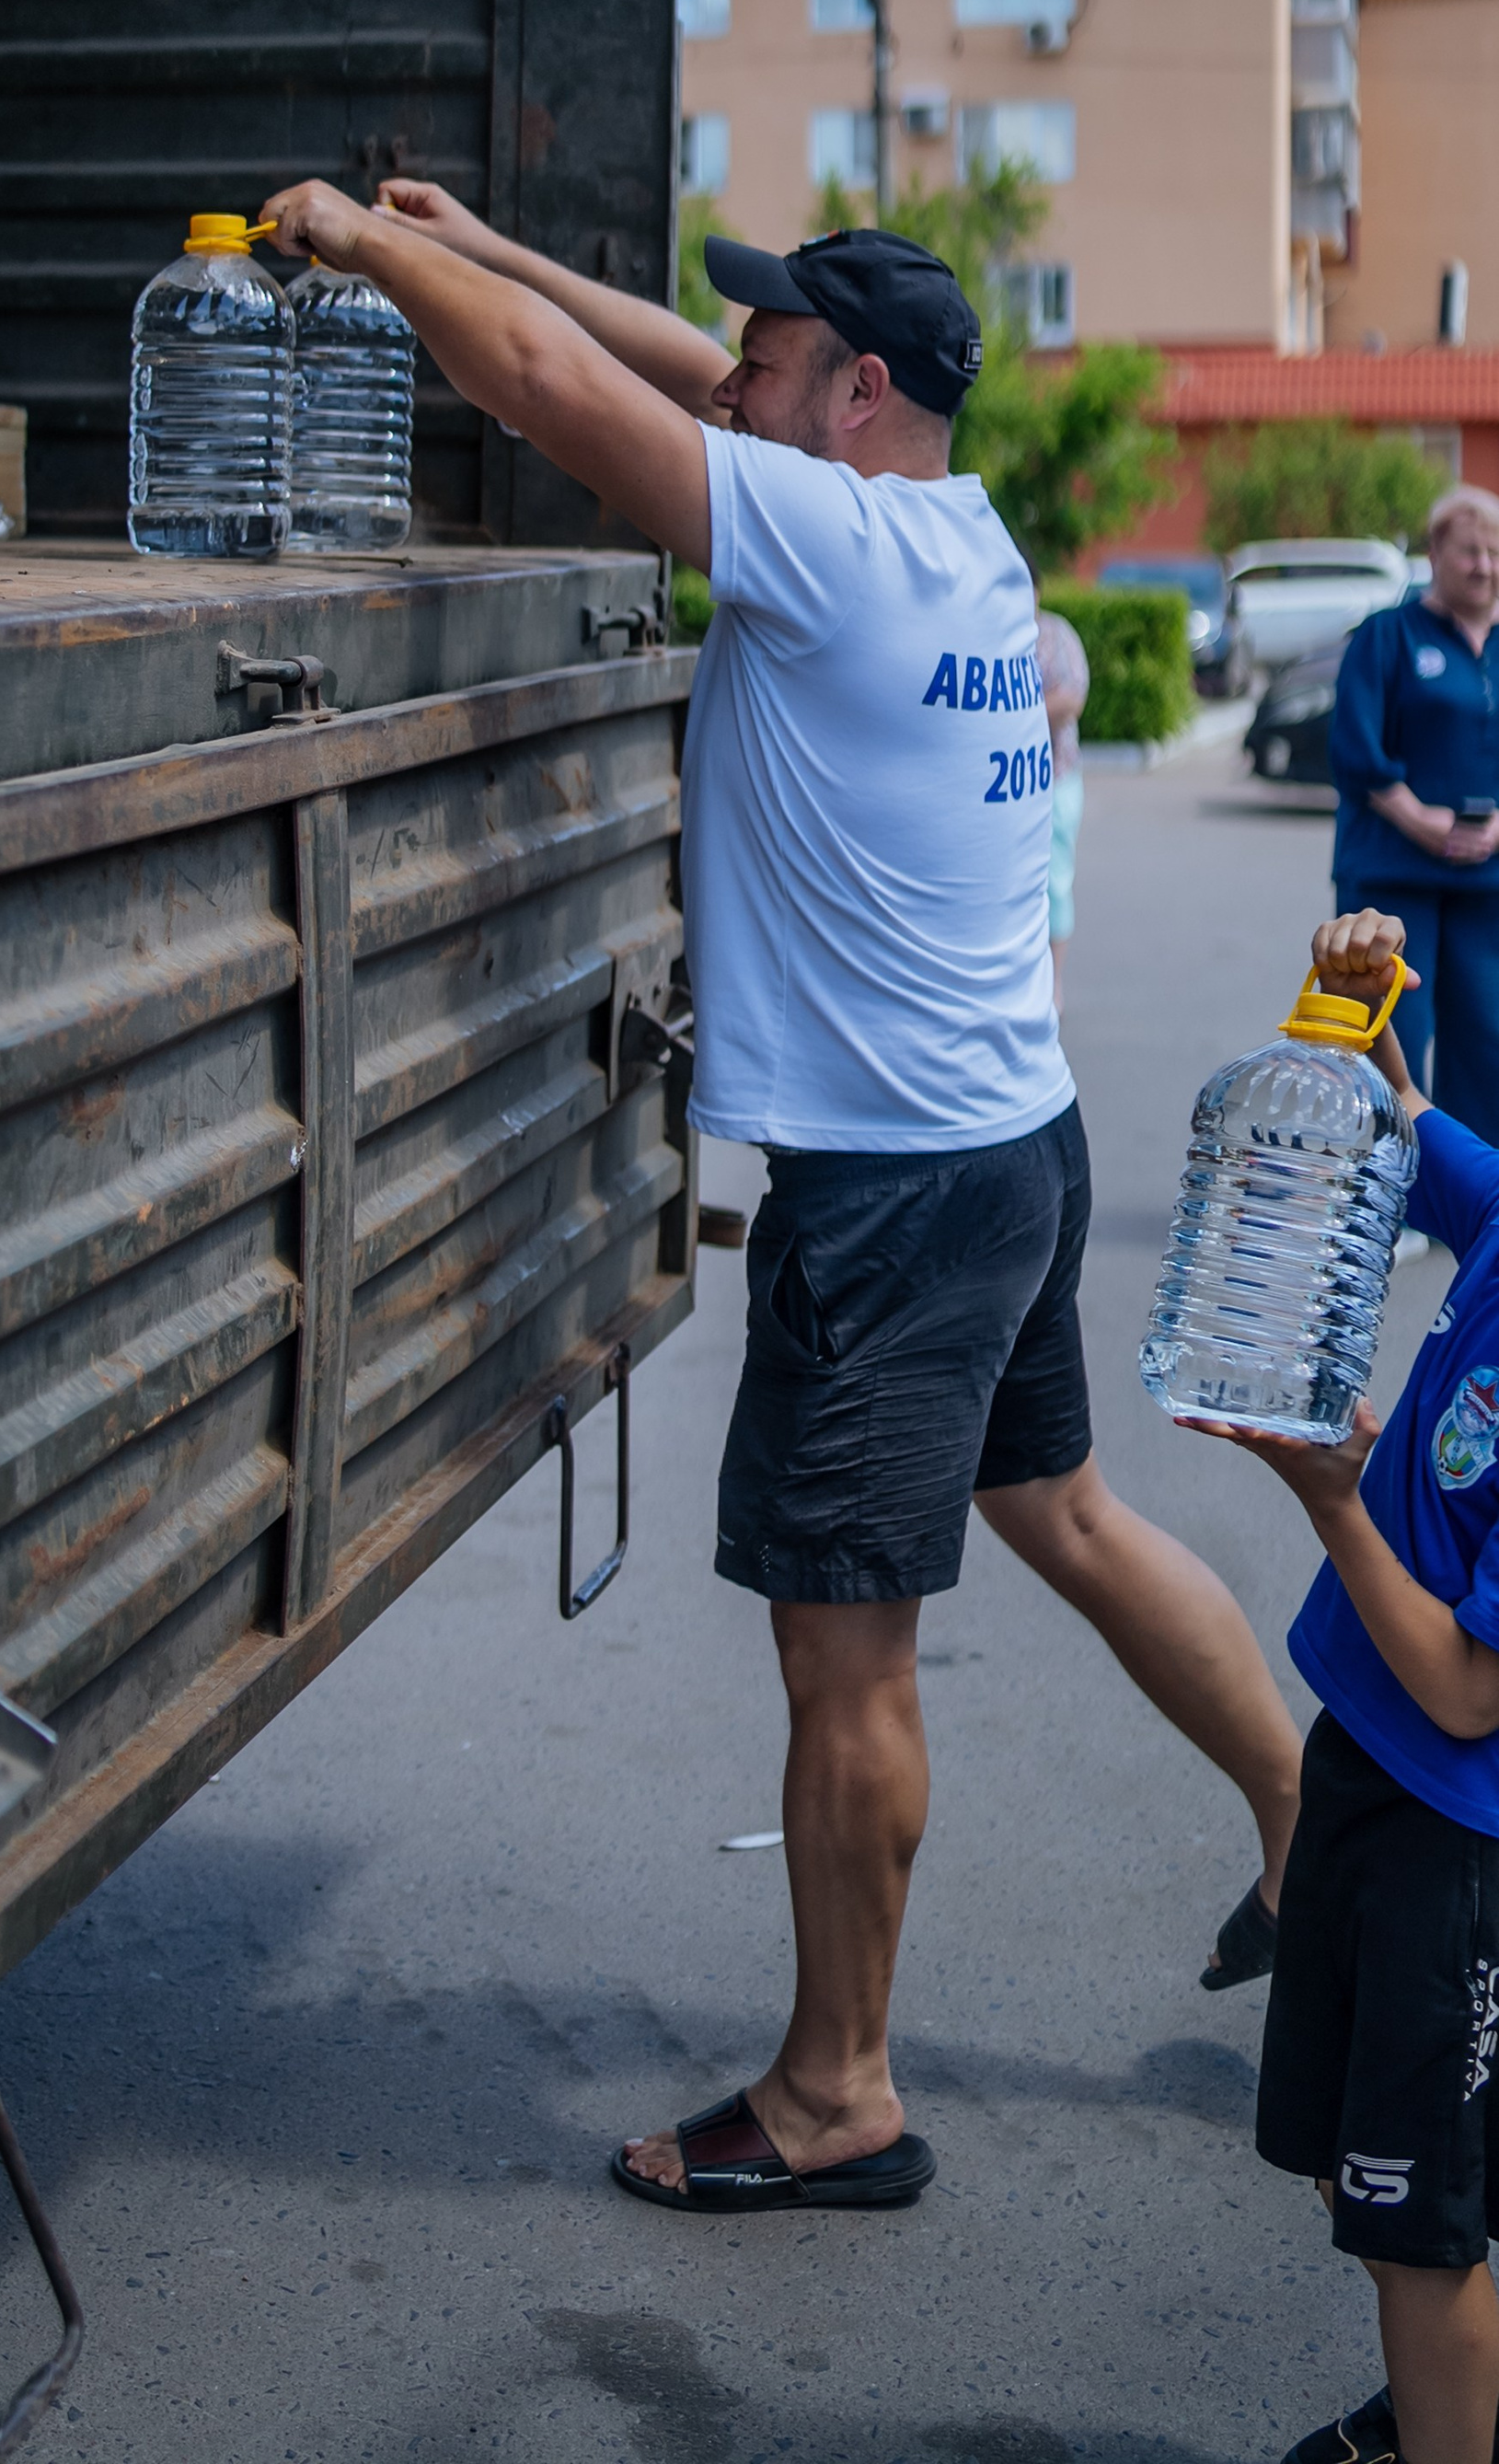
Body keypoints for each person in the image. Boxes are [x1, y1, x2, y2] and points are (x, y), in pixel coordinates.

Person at [257, 173, 1305, 2208]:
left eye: (767, 349)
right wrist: (479, 240)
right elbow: (649, 363)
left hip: (896, 1197)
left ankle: (839, 2094)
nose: (727, 363)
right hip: (1009, 1142)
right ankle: (1306, 1814)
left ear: (856, 397)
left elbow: (572, 395)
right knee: (1067, 1519)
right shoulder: (949, 529)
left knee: (849, 1661)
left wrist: (368, 251)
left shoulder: (824, 547)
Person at [1194, 905, 1499, 2464]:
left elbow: (1465, 1693)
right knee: (1346, 2158)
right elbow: (1398, 1120)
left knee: (1418, 2222)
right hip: (1361, 1769)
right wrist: (1351, 998)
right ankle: (1451, 2405)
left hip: (1458, 1836)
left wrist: (1335, 1498)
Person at [1329, 491, 1499, 1144]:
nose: (1484, 566)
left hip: (1486, 886)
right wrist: (1417, 818)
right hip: (1394, 877)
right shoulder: (1387, 636)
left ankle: (1471, 1198)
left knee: (1485, 1044)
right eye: (1469, 551)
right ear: (1435, 556)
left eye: (1493, 552)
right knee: (1393, 1039)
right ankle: (1386, 1204)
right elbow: (1354, 748)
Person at [1035, 600, 1090, 1009]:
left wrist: (1021, 710)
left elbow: (1072, 697)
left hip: (1055, 776)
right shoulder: (991, 626)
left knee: (1055, 882)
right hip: (1009, 784)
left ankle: (1054, 986)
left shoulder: (1054, 633)